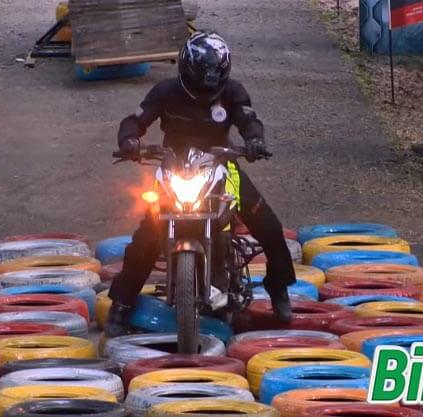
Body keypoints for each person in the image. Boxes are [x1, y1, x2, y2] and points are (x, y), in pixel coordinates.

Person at [105, 31, 295, 337]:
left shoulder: (232, 92)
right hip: (174, 170)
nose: (207, 86)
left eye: (214, 78)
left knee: (270, 229)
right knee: (146, 238)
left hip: (222, 167)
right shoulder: (165, 91)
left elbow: (249, 121)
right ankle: (122, 303)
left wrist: (255, 141)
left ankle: (279, 288)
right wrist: (129, 140)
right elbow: (135, 120)